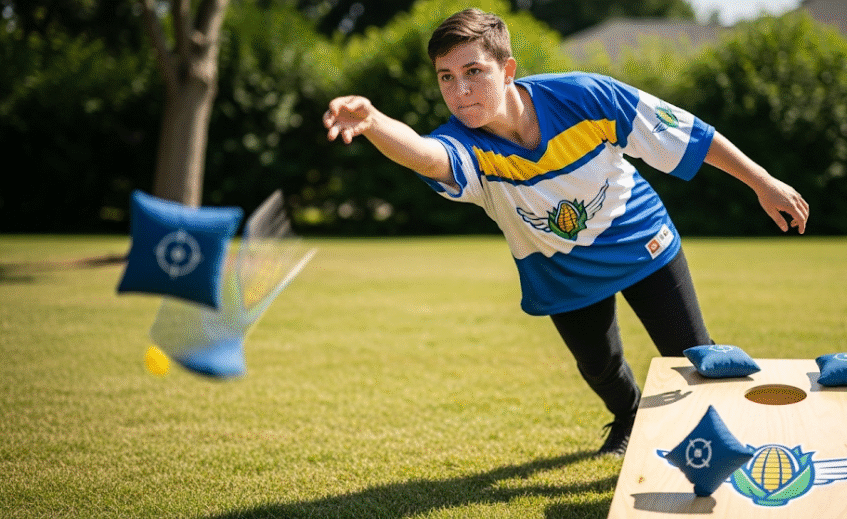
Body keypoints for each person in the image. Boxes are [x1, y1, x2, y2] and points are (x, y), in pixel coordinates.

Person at [323, 8, 809, 457]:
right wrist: (375, 123)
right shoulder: (463, 143)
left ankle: (718, 445)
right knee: (600, 367)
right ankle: (628, 416)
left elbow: (685, 131)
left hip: (641, 241)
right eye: (446, 77)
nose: (461, 90)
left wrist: (762, 182)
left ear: (507, 70)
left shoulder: (585, 94)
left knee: (695, 357)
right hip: (559, 269)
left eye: (475, 72)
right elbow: (425, 154)